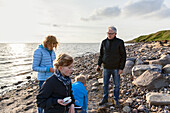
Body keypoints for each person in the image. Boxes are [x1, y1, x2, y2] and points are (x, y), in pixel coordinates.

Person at [97, 26, 126, 106]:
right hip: (106, 67)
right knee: (105, 84)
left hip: (116, 68)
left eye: (111, 33)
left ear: (115, 34)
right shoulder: (104, 42)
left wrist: (121, 68)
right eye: (108, 33)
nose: (109, 35)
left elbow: (123, 56)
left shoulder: (120, 42)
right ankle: (105, 98)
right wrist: (98, 64)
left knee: (116, 85)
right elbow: (101, 55)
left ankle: (116, 99)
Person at [32, 35, 58, 113]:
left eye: (54, 44)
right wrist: (48, 69)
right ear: (47, 43)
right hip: (43, 79)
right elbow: (34, 67)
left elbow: (54, 63)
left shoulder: (52, 51)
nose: (53, 46)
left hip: (53, 78)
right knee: (42, 100)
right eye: (52, 44)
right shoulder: (38, 51)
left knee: (51, 99)